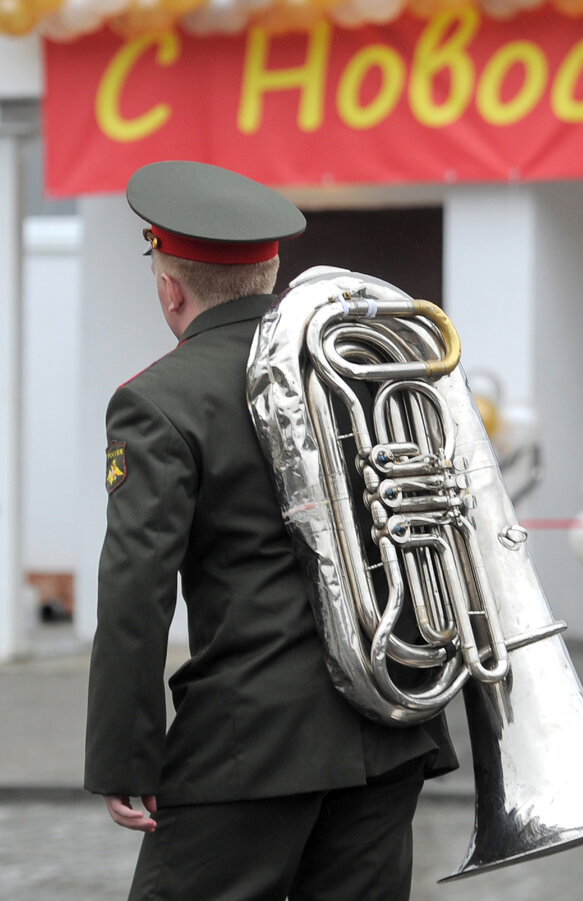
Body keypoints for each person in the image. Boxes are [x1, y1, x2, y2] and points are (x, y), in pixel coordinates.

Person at [85, 160, 457, 901]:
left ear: (169, 285)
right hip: (386, 731)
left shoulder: (157, 401)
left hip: (248, 744)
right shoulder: (366, 370)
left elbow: (137, 590)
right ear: (273, 267)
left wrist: (125, 755)